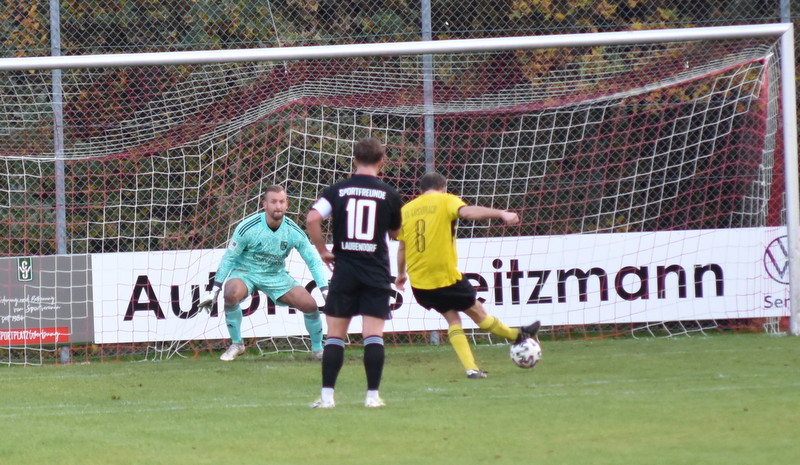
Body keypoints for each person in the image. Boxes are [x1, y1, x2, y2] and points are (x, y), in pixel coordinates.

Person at [395, 171, 540, 379]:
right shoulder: (445, 200)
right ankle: (518, 335)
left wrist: (401, 274)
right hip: (445, 277)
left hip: (420, 284)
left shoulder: (406, 210)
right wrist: (500, 213)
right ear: (443, 188)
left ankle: (472, 368)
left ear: (421, 190)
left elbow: (402, 247)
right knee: (478, 313)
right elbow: (468, 212)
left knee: (452, 318)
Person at [305, 137, 403, 409]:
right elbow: (396, 232)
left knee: (335, 336)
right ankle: (372, 397)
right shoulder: (389, 194)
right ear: (382, 161)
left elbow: (313, 218)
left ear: (355, 160)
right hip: (376, 272)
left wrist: (322, 250)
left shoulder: (338, 190)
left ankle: (327, 398)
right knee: (373, 335)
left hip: (345, 271)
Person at [199, 185, 328, 362]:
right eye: (273, 202)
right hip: (245, 272)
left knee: (310, 305)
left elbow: (313, 261)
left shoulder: (293, 231)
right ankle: (237, 344)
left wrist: (325, 290)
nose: (278, 206)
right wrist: (214, 290)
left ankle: (318, 350)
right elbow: (229, 258)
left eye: (282, 202)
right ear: (264, 205)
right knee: (231, 293)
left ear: (287, 205)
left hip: (275, 275)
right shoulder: (247, 228)